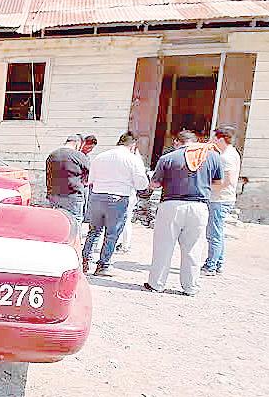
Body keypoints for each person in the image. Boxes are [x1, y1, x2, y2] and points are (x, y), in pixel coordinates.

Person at [145, 130, 223, 296]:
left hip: (171, 205)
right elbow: (218, 183)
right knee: (193, 248)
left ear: (176, 142)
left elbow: (155, 184)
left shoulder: (168, 158)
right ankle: (190, 287)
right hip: (199, 206)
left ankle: (156, 284)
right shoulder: (212, 156)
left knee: (163, 246)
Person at [81, 132, 148, 276]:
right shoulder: (132, 159)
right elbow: (142, 184)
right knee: (112, 234)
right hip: (118, 197)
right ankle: (103, 265)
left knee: (94, 231)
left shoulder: (101, 156)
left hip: (97, 196)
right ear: (133, 145)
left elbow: (90, 179)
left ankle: (85, 262)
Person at [202, 125, 241, 276]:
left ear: (221, 139)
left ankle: (211, 265)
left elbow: (227, 181)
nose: (212, 140)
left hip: (220, 199)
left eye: (214, 137)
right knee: (218, 232)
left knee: (214, 233)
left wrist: (207, 187)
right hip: (222, 198)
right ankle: (218, 263)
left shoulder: (226, 157)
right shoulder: (230, 153)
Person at [46, 135, 90, 229]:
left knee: (57, 222)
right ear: (78, 144)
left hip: (54, 195)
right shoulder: (78, 156)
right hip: (72, 196)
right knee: (74, 223)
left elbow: (48, 175)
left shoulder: (52, 155)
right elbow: (90, 173)